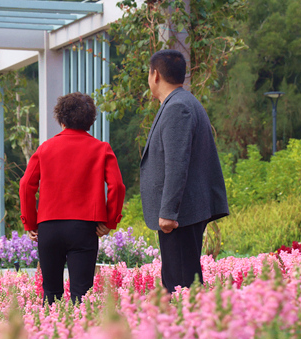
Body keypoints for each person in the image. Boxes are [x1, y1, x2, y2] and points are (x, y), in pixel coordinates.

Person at [19, 92, 126, 304]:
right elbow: (117, 186)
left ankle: (51, 335)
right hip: (84, 228)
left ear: (61, 119)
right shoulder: (101, 148)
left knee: (51, 295)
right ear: (91, 120)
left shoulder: (45, 148)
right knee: (82, 296)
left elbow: (26, 185)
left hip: (49, 226)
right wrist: (109, 221)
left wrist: (31, 222)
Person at [140, 49, 229, 293]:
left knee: (180, 286)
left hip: (179, 216)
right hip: (185, 213)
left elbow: (177, 163)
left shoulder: (177, 107)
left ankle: (186, 329)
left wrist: (168, 211)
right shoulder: (183, 102)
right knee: (182, 281)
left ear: (155, 75)